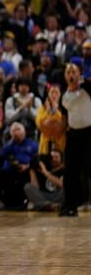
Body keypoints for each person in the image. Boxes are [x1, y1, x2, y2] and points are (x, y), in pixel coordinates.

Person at [60, 63, 91, 216]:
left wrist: (83, 81)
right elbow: (65, 113)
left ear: (79, 73)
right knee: (70, 171)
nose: (71, 75)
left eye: (74, 71)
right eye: (68, 72)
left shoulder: (87, 87)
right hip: (73, 135)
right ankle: (69, 206)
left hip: (89, 134)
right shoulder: (64, 95)